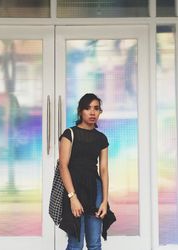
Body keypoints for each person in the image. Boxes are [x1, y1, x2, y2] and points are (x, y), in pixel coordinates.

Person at [59, 93, 112, 250]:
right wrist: (72, 197)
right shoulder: (70, 134)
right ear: (80, 111)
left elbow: (103, 169)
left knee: (95, 244)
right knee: (76, 244)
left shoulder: (101, 138)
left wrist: (104, 201)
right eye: (88, 108)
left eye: (96, 108)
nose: (92, 112)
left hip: (94, 190)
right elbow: (63, 166)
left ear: (100, 112)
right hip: (73, 189)